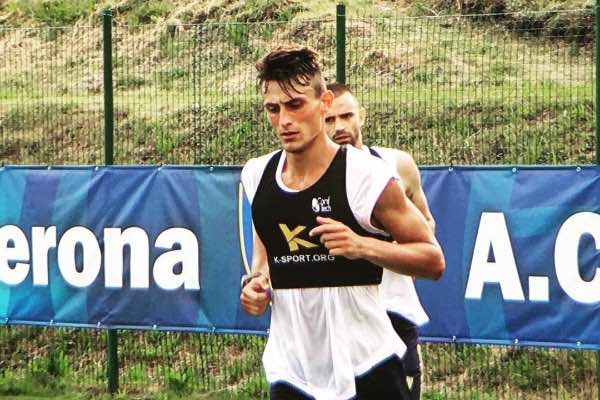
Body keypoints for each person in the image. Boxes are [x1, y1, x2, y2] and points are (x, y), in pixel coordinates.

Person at [239, 45, 445, 400]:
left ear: (324, 103)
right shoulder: (257, 174)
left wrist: (362, 246)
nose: (284, 120)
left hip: (367, 363)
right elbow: (265, 258)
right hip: (292, 370)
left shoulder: (366, 174)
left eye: (295, 105)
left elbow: (432, 259)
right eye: (273, 109)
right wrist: (256, 285)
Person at [325, 82, 435, 399]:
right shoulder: (310, 176)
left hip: (393, 310)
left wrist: (393, 255)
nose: (339, 126)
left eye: (346, 116)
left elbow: (426, 224)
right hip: (339, 318)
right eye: (329, 120)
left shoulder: (396, 164)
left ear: (362, 116)